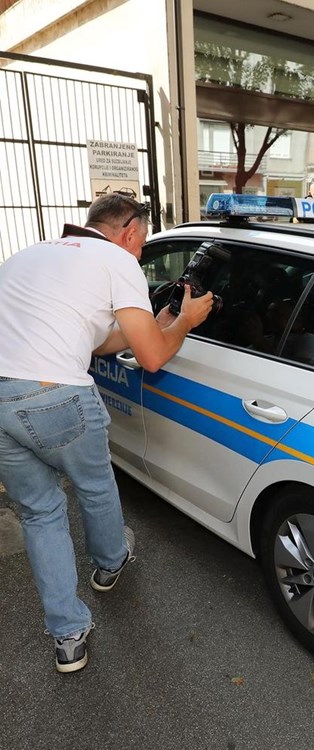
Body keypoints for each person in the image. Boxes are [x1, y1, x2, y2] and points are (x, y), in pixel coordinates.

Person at [0, 192, 213, 673]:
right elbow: (154, 358)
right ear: (131, 231)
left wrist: (155, 326)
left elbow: (96, 339)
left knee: (38, 512)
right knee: (94, 486)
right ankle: (110, 564)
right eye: (139, 246)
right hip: (57, 395)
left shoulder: (31, 254)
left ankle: (68, 636)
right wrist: (185, 320)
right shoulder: (117, 260)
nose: (138, 255)